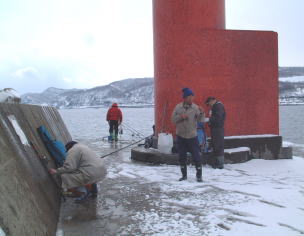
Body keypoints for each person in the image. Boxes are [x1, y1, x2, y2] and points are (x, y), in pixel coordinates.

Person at [171, 88, 204, 182]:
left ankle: (199, 176)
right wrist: (181, 117)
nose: (191, 99)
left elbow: (200, 120)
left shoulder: (195, 108)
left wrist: (201, 113)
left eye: (192, 97)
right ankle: (184, 176)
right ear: (184, 98)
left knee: (197, 157)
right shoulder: (178, 107)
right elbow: (173, 120)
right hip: (181, 136)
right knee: (182, 157)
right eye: (189, 97)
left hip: (192, 136)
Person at [205, 97, 226, 169]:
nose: (209, 105)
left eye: (209, 103)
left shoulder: (218, 106)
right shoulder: (216, 106)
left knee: (218, 145)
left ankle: (220, 164)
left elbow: (218, 118)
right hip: (215, 129)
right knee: (216, 145)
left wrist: (209, 119)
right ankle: (217, 163)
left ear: (212, 101)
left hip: (218, 129)